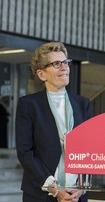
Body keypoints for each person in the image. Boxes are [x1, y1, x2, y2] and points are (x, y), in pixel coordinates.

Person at [16, 42, 93, 202]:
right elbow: (25, 153)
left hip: (76, 195)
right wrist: (55, 189)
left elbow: (89, 149)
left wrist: (82, 186)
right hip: (41, 195)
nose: (64, 67)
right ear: (41, 74)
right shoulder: (29, 105)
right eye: (56, 64)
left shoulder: (82, 104)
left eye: (66, 62)